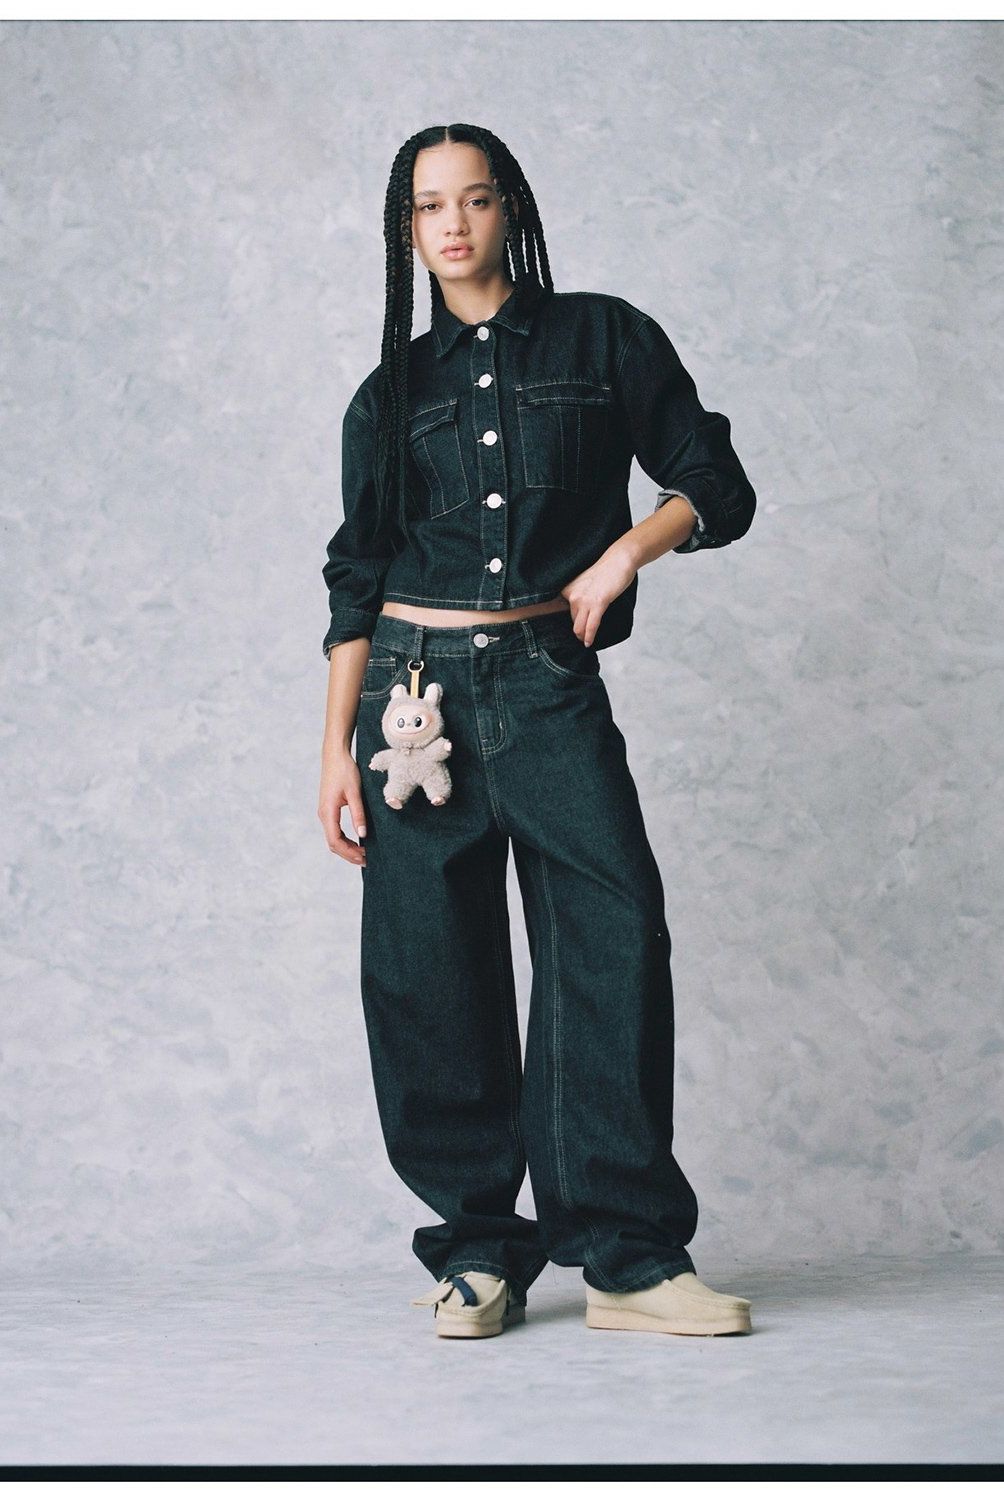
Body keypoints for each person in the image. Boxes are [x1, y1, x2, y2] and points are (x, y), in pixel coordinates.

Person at [317, 123, 756, 1341]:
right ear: (406, 232)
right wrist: (330, 749)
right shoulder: (388, 394)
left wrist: (622, 553)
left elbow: (715, 483)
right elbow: (356, 578)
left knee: (612, 935)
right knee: (428, 968)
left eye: (472, 199)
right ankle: (476, 1251)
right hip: (409, 699)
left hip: (547, 681)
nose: (451, 225)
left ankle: (626, 1259)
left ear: (508, 208)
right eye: (427, 207)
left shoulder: (602, 338)